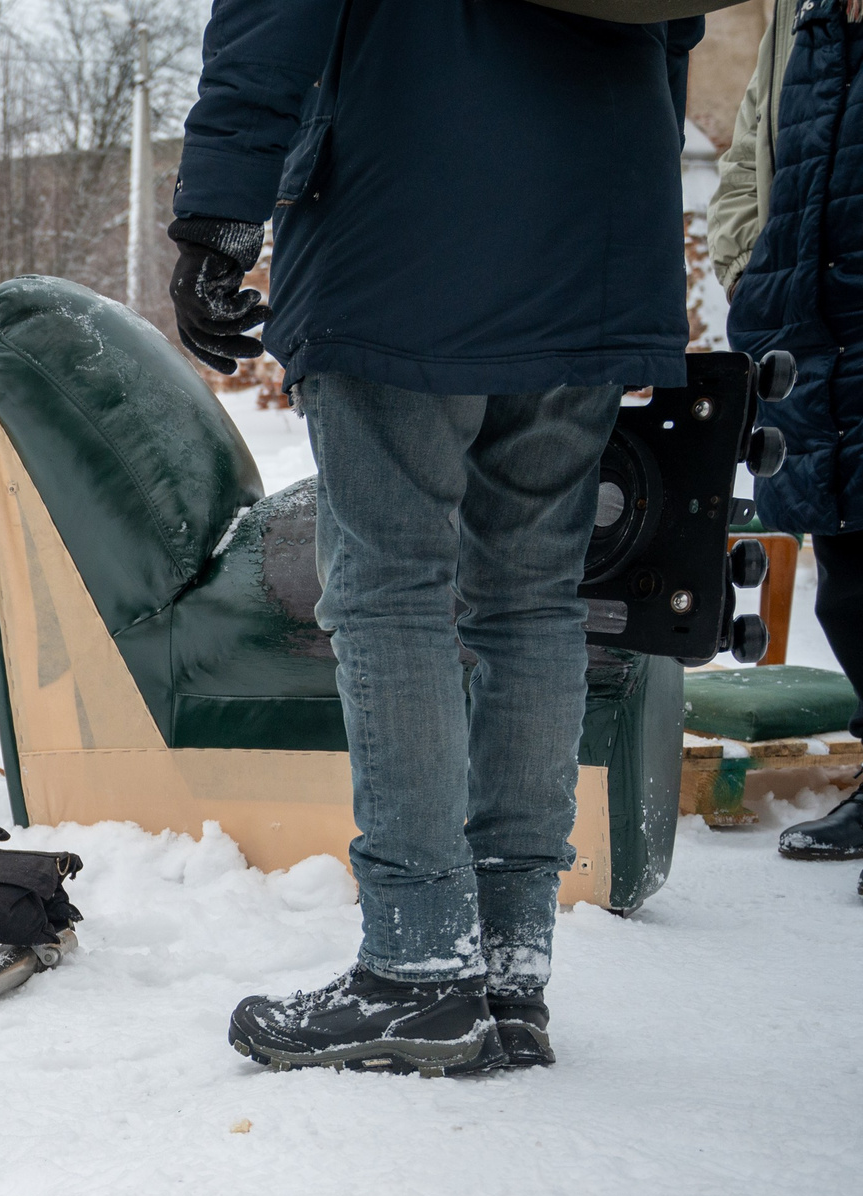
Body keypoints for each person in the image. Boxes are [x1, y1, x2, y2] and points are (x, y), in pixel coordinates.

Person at [168, 1, 705, 1075]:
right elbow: (672, 30)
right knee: (533, 597)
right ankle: (506, 968)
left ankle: (418, 967)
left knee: (391, 589)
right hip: (601, 223)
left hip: (404, 216)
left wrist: (217, 214)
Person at [712, 0, 863, 878]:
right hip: (811, 316)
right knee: (848, 573)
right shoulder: (795, 8)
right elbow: (749, 148)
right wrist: (748, 267)